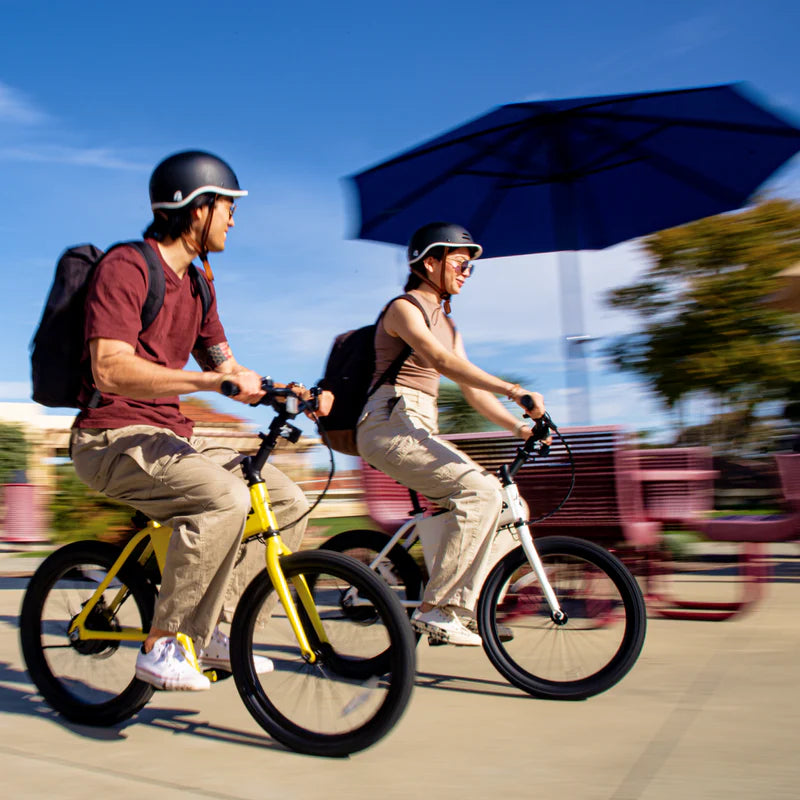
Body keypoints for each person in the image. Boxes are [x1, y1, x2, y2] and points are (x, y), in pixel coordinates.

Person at [71, 151, 317, 690]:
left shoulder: (200, 284)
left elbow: (225, 368)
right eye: (228, 206)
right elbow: (108, 367)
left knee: (285, 501)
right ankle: (165, 645)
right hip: (111, 437)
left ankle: (225, 631)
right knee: (222, 499)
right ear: (197, 207)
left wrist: (286, 391)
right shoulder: (127, 267)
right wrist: (209, 383)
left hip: (171, 437)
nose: (233, 218)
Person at [356, 222, 546, 646]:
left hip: (416, 425)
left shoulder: (452, 327)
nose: (466, 274)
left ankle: (469, 607)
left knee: (506, 508)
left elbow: (473, 392)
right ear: (430, 262)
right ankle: (438, 609)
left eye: (470, 268)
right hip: (389, 423)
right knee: (479, 493)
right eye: (460, 264)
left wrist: (519, 427)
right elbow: (439, 361)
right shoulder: (404, 309)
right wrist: (515, 390)